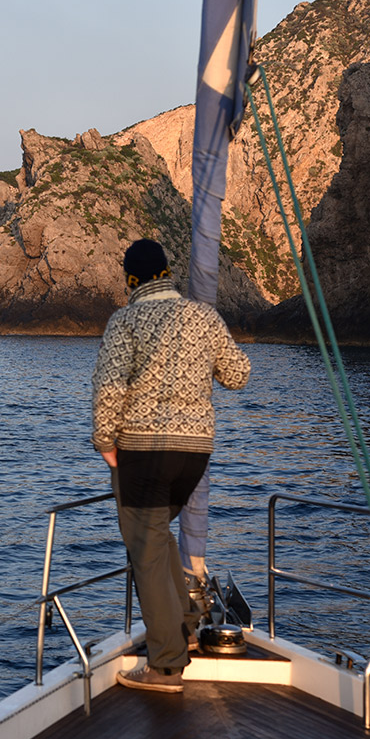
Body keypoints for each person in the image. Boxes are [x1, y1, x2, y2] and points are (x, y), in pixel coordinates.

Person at [91, 239, 251, 693]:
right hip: (194, 455)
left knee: (146, 550)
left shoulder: (126, 320)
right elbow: (238, 374)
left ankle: (164, 667)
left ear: (132, 280)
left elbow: (109, 386)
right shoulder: (204, 316)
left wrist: (105, 443)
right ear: (166, 273)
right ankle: (183, 628)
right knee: (158, 540)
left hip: (144, 451)